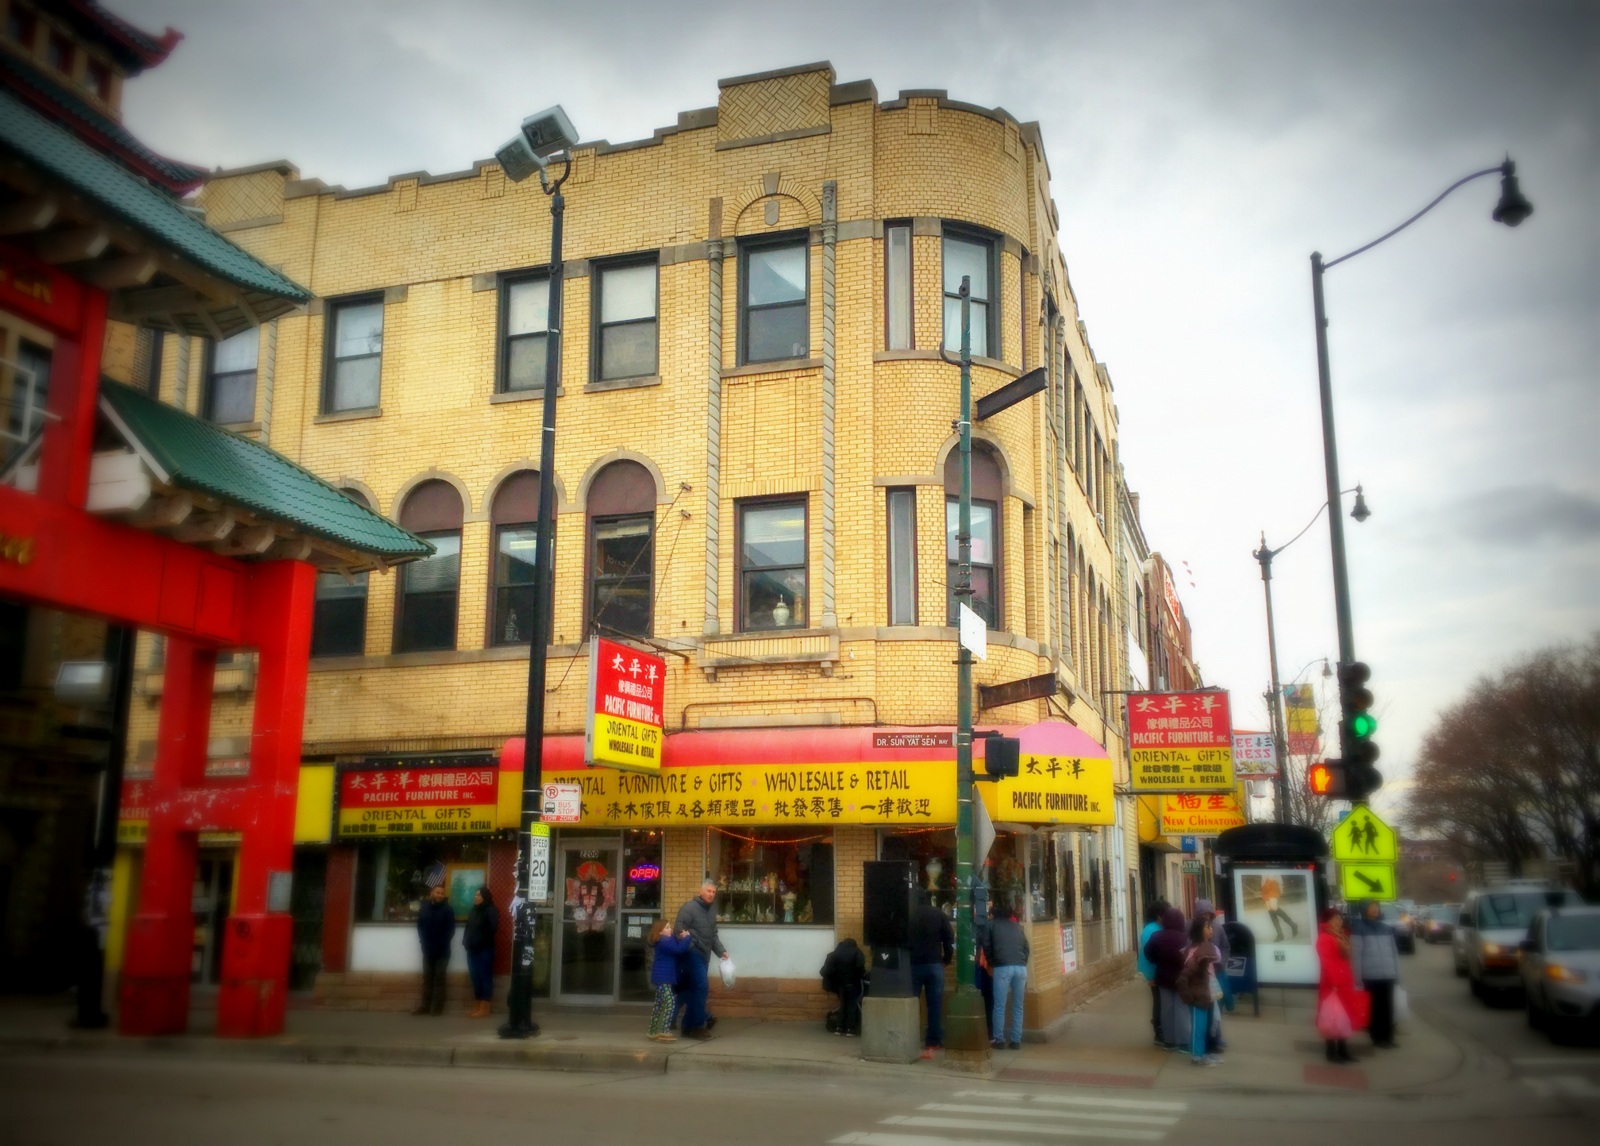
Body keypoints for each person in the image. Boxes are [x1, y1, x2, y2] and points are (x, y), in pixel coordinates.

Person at [673, 880, 731, 1040]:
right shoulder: (688, 908)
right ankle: (696, 1026)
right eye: (709, 891)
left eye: (713, 892)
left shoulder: (711, 911)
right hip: (692, 954)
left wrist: (722, 951)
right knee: (701, 987)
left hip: (704, 955)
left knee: (694, 990)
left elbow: (712, 935)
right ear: (701, 891)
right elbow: (678, 930)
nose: (711, 894)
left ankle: (688, 1027)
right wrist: (692, 945)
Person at [909, 890, 955, 1058]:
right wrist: (947, 959)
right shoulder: (938, 914)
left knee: (912, 1003)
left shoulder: (908, 914)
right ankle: (933, 1040)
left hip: (912, 964)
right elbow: (949, 938)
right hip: (934, 963)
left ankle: (910, 1037)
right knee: (934, 1005)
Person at [1350, 900, 1400, 1049]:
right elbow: (1356, 955)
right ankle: (1377, 1037)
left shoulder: (1385, 928)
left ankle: (1388, 1037)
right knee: (1375, 1008)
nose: (1375, 909)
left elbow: (1394, 953)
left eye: (1376, 907)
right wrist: (1357, 978)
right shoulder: (1358, 928)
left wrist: (1396, 972)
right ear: (1365, 909)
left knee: (1388, 1007)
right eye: (1371, 907)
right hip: (1370, 975)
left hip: (1388, 974)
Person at [983, 898, 1030, 1050]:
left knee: (999, 1006)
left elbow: (987, 945)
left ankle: (999, 1040)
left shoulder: (991, 925)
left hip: (1002, 967)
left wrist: (991, 963)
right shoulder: (1016, 926)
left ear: (993, 914)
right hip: (1020, 967)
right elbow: (1026, 948)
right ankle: (1016, 1040)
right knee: (1018, 1006)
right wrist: (1022, 962)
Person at [1177, 915, 1223, 1067]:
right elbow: (1185, 976)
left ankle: (1204, 1053)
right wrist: (1188, 996)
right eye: (1207, 927)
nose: (1211, 930)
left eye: (1211, 927)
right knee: (1199, 1026)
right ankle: (1197, 1056)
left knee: (1207, 1025)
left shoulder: (1207, 946)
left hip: (1207, 992)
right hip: (1198, 994)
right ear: (1199, 930)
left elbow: (1217, 960)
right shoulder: (1194, 951)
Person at [1144, 905, 1191, 1052]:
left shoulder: (1157, 936)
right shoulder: (1186, 938)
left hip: (1163, 976)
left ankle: (1169, 1042)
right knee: (1181, 1008)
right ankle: (1183, 1042)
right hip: (1182, 978)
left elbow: (1148, 953)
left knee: (1166, 1009)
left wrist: (1159, 961)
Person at [1316, 907, 1359, 1063]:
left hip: (1344, 983)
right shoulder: (1324, 938)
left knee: (1343, 1018)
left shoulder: (1341, 936)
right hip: (1332, 984)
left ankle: (1343, 1050)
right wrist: (1334, 982)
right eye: (1334, 919)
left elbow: (1346, 959)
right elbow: (1327, 962)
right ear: (1327, 922)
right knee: (1332, 1018)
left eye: (1339, 919)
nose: (1338, 922)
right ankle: (1331, 1052)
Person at [647, 918, 693, 1041]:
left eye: (669, 927)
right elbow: (678, 949)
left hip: (662, 977)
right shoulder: (663, 941)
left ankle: (652, 1031)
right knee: (670, 1003)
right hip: (663, 978)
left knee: (659, 1005)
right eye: (667, 927)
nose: (670, 929)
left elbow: (675, 945)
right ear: (660, 931)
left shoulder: (665, 941)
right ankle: (664, 1031)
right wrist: (687, 937)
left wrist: (680, 937)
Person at [413, 883, 455, 1016]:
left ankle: (437, 1008)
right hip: (427, 949)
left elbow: (451, 930)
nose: (440, 895)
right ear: (431, 893)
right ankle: (425, 1006)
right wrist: (422, 941)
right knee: (427, 978)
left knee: (439, 978)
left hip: (442, 951)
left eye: (442, 893)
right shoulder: (424, 907)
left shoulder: (448, 910)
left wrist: (441, 943)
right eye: (438, 893)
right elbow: (419, 925)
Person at [462, 886, 498, 1018]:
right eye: (475, 895)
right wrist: (465, 941)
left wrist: (478, 942)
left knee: (484, 977)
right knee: (475, 978)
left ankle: (485, 1007)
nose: (475, 897)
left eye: (478, 895)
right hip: (472, 950)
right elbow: (468, 927)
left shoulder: (491, 911)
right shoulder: (474, 910)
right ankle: (477, 1005)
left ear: (485, 897)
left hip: (485, 950)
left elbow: (491, 930)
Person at [820, 936, 867, 1037]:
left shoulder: (834, 954)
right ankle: (850, 1029)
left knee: (843, 1004)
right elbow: (860, 967)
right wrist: (858, 976)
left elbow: (824, 971)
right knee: (851, 1005)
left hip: (840, 985)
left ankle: (839, 1027)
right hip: (852, 983)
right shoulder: (856, 952)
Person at [1137, 900, 1169, 1046]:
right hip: (1154, 972)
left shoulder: (1154, 927)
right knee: (1159, 1002)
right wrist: (1150, 975)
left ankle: (1160, 1028)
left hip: (1157, 972)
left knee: (1160, 1001)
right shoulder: (1152, 930)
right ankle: (1159, 1031)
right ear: (1159, 915)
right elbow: (1148, 954)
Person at [1196, 897, 1234, 1014]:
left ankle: (1224, 1008)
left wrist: (1222, 962)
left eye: (1208, 914)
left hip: (1217, 968)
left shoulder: (1218, 927)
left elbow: (1225, 946)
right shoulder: (1192, 928)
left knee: (1222, 991)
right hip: (1201, 969)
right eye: (1202, 914)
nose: (1205, 916)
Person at [1261, 876, 1298, 941]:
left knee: (1273, 907)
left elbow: (1278, 876)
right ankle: (1280, 935)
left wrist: (1281, 888)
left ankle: (1293, 925)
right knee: (1270, 910)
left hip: (1273, 884)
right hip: (1264, 886)